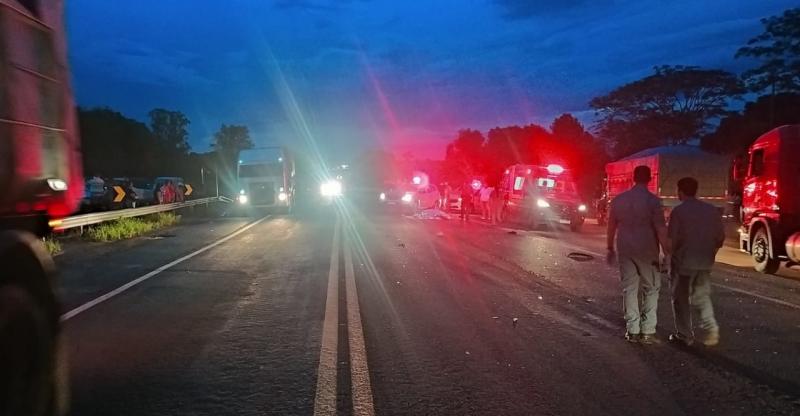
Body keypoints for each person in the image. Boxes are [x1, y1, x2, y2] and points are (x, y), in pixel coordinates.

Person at [606, 165, 669, 344]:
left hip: (626, 249)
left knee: (630, 289)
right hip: (647, 250)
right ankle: (648, 330)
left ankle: (632, 330)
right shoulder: (653, 202)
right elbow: (660, 228)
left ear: (633, 178)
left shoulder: (619, 200)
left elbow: (611, 227)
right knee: (651, 289)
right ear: (649, 179)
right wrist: (667, 253)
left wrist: (610, 248)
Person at [668, 177, 724, 347]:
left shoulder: (678, 212)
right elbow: (720, 238)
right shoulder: (711, 210)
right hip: (705, 262)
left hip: (684, 263)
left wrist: (668, 259)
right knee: (702, 296)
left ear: (680, 192)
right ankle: (710, 329)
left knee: (681, 298)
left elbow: (673, 240)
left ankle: (684, 335)